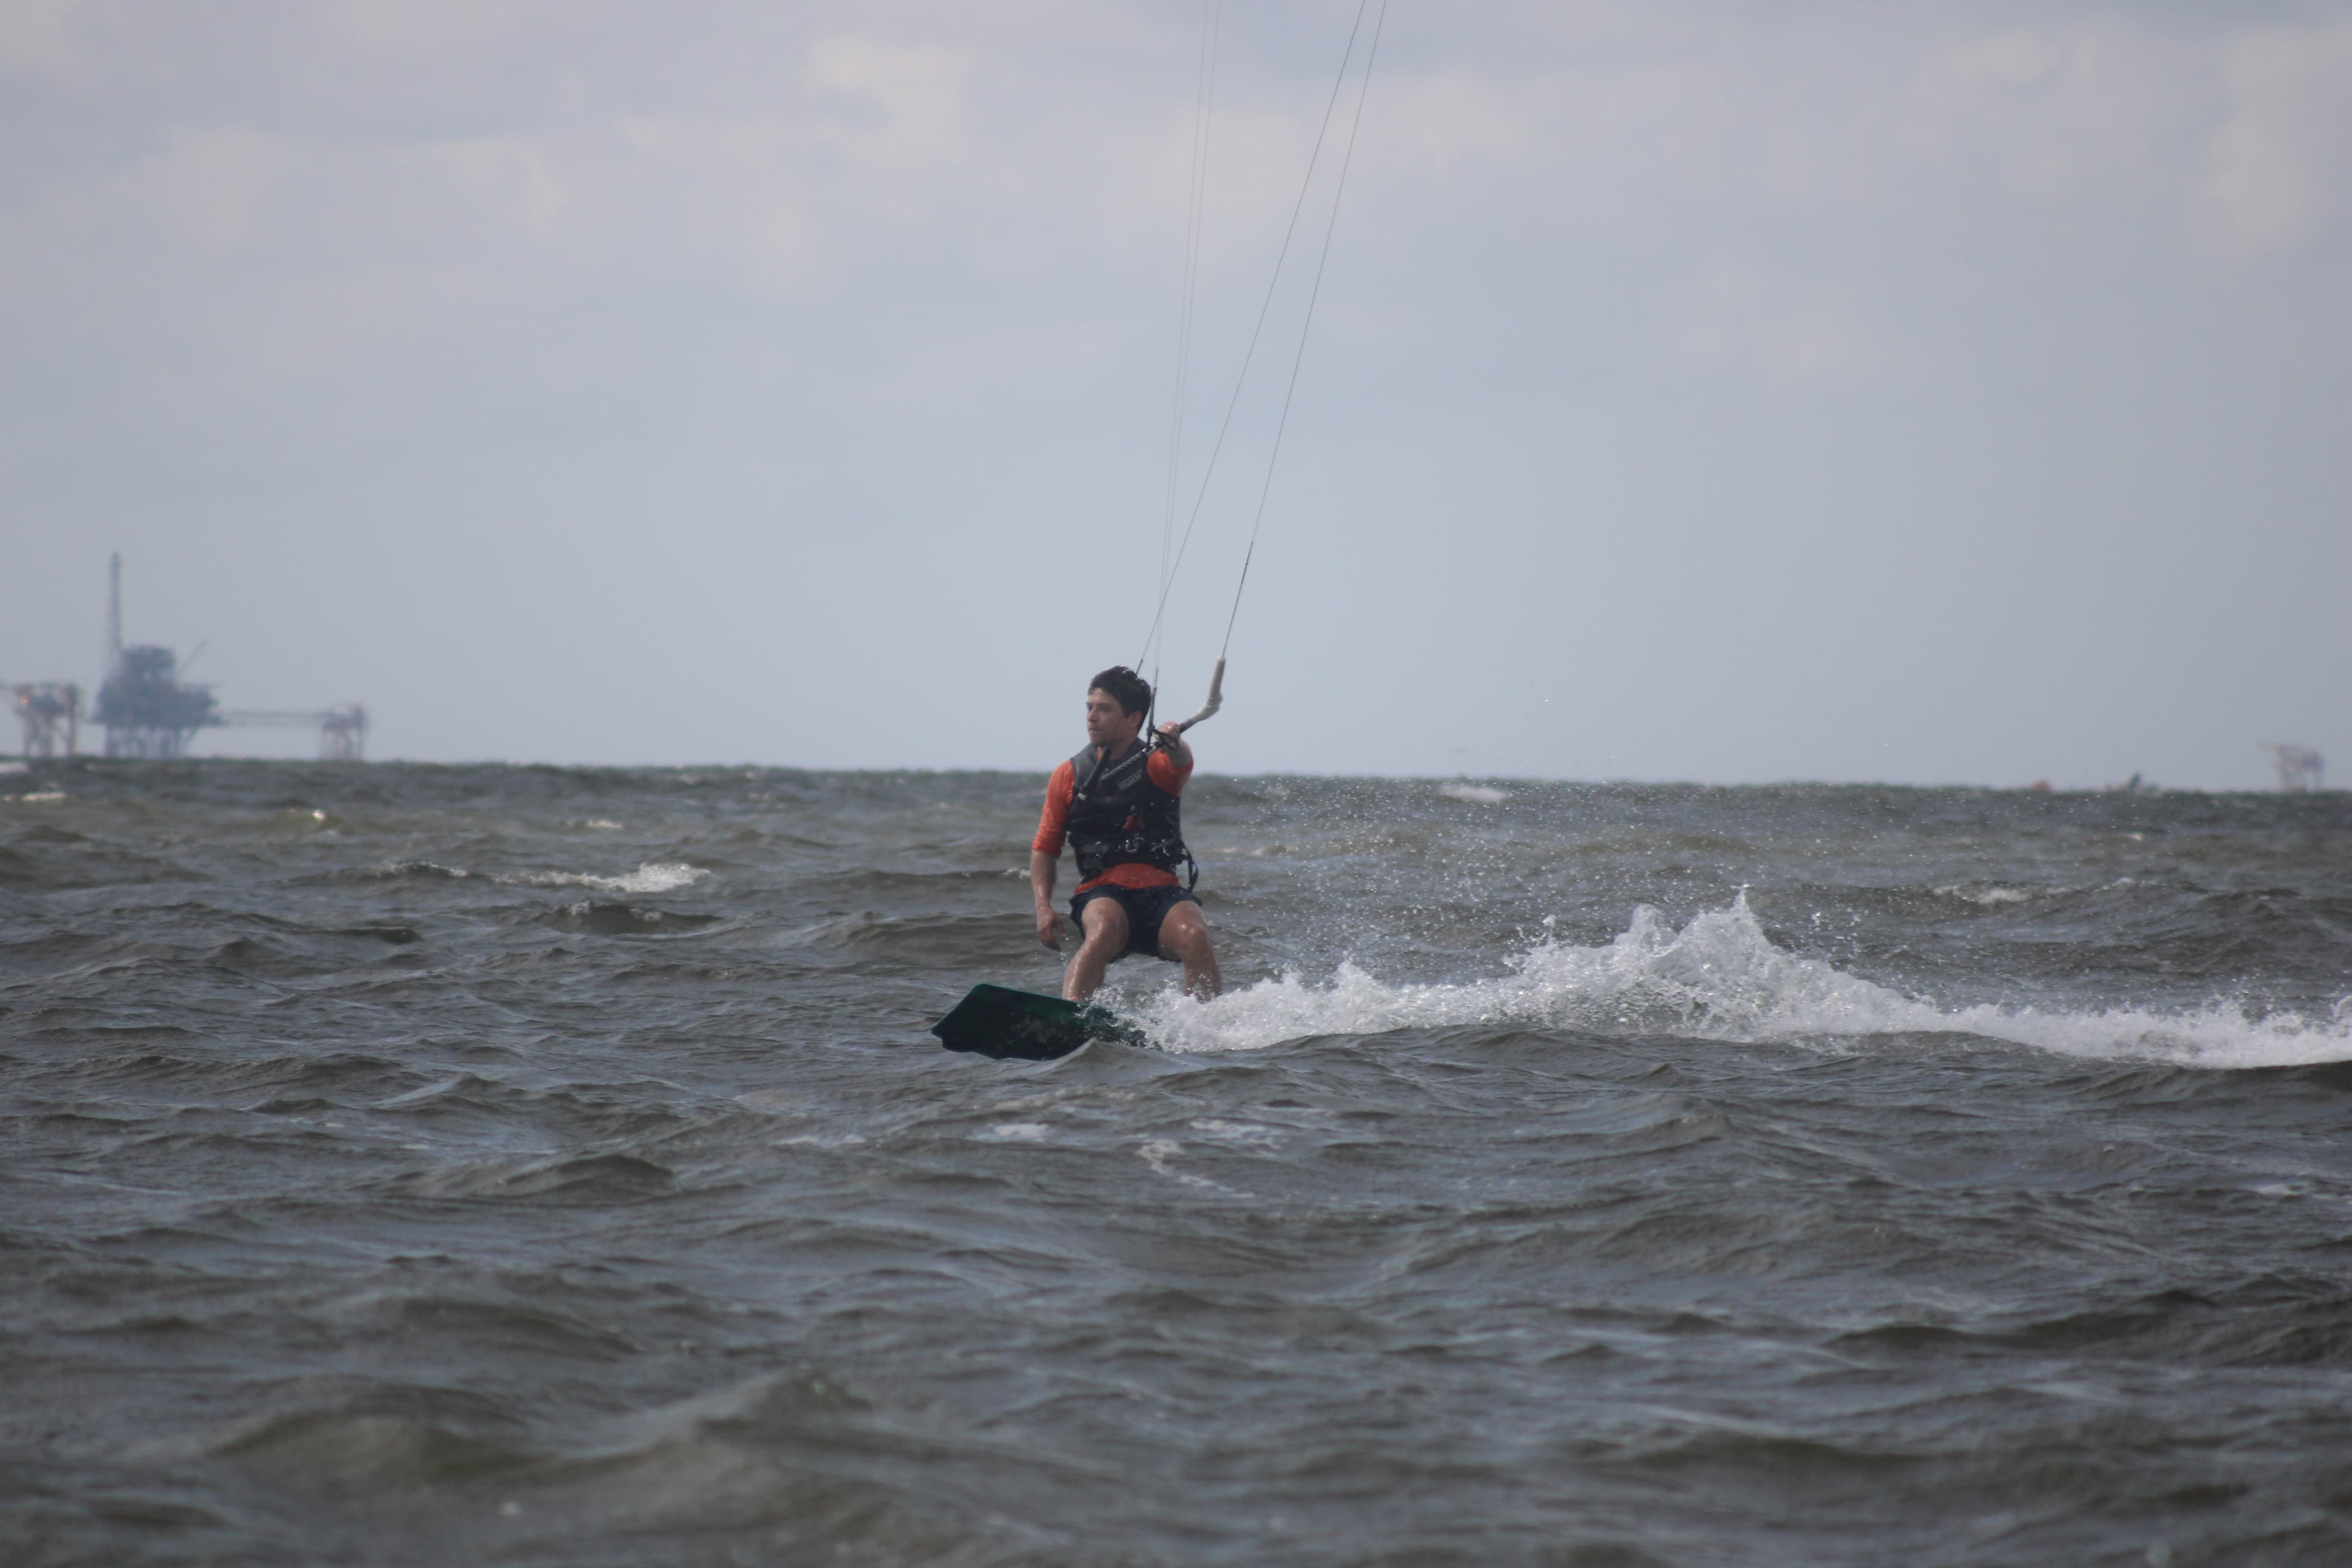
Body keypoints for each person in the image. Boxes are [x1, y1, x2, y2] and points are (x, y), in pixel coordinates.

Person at [1030, 666, 1221, 1003]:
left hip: (1162, 891)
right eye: (1089, 707)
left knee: (1196, 934)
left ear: (1133, 719)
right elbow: (1046, 847)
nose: (1092, 717)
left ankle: (1206, 1026)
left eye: (1104, 709)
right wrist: (1043, 907)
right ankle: (1074, 1012)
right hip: (1102, 891)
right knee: (1103, 930)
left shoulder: (1158, 763)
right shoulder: (1068, 774)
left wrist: (1174, 740)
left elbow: (1181, 759)